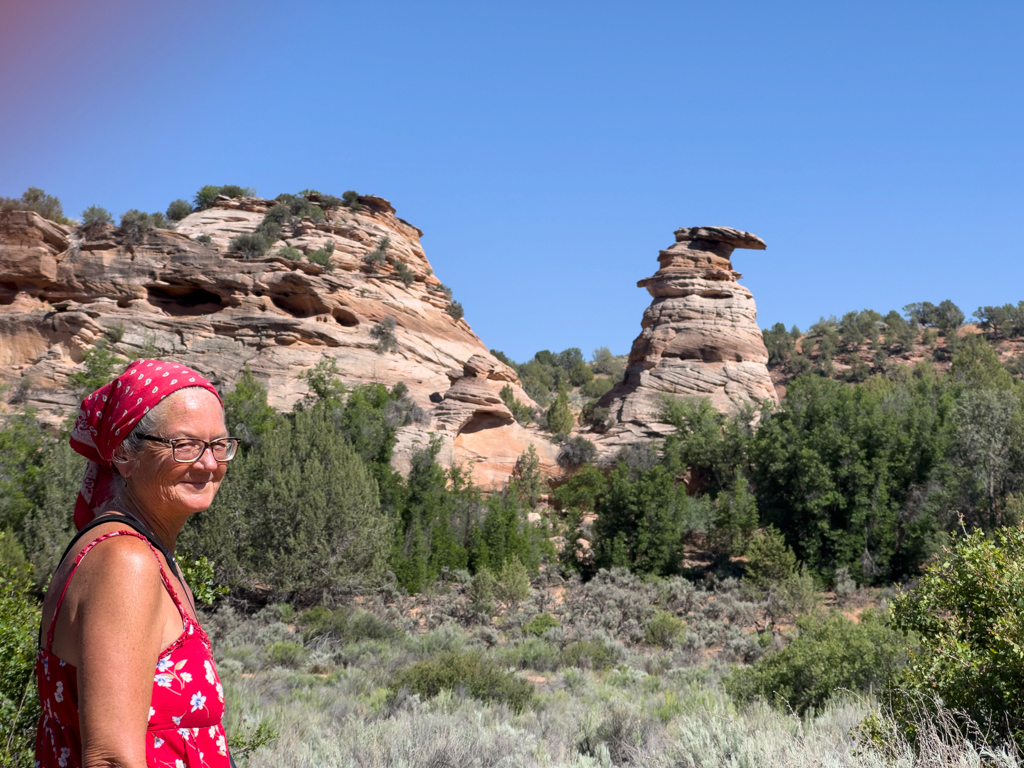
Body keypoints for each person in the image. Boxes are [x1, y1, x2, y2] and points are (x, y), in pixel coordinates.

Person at [35, 359, 239, 768]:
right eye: (184, 445)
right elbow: (111, 758)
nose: (209, 464)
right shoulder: (124, 562)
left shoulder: (144, 551)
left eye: (219, 444)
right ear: (125, 455)